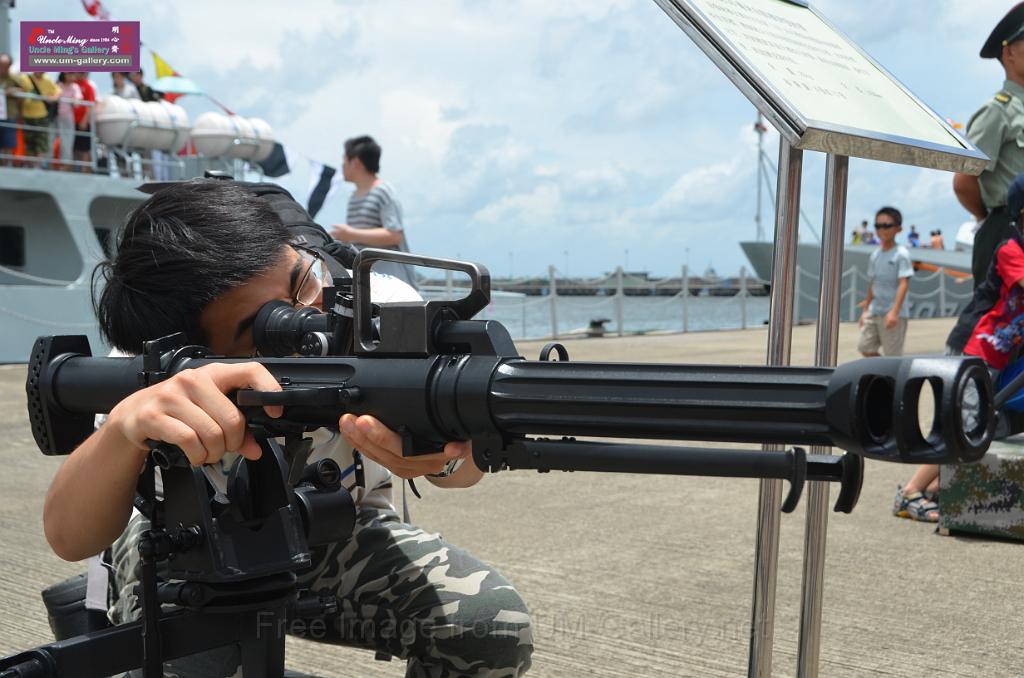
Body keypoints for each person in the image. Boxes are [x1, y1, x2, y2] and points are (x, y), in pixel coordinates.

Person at [44, 179, 533, 676]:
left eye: (302, 282)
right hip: (188, 542)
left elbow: (461, 468)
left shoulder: (384, 308)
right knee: (193, 660)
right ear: (191, 349)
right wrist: (123, 431)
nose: (309, 321)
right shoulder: (155, 360)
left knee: (487, 625)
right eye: (264, 325)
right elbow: (68, 536)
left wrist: (443, 458)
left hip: (336, 529)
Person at [897, 172, 1024, 523]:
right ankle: (910, 492)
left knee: (979, 423)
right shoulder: (1011, 250)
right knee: (963, 425)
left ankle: (939, 488)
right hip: (974, 350)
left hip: (997, 355)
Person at [954, 5, 1024, 286]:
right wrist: (993, 218)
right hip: (1008, 231)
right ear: (1009, 53)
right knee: (1001, 323)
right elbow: (964, 181)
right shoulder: (997, 111)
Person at [330, 135, 417, 288]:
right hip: (370, 280)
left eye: (344, 162)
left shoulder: (383, 192)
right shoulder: (353, 197)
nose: (341, 167)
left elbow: (394, 235)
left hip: (394, 282)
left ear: (355, 163)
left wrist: (351, 234)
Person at [857, 207, 913, 357]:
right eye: (878, 226)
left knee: (892, 356)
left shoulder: (902, 254)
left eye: (887, 225)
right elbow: (872, 283)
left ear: (898, 229)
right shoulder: (875, 255)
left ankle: (890, 378)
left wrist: (894, 312)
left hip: (892, 312)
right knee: (865, 347)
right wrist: (865, 311)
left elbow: (904, 283)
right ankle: (882, 376)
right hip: (874, 311)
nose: (882, 229)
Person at [16, 70, 58, 166]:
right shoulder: (24, 78)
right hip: (26, 116)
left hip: (42, 117)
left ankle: (37, 167)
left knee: (41, 144)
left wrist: (52, 98)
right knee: (29, 144)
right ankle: (31, 167)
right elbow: (18, 93)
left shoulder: (48, 80)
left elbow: (58, 92)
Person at [54, 73, 81, 171]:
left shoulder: (75, 87)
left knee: (67, 143)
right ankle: (49, 164)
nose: (72, 77)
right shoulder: (57, 85)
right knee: (51, 141)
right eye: (69, 74)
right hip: (55, 117)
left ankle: (65, 166)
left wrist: (75, 101)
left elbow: (78, 102)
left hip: (67, 118)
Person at [0, 53, 22, 166]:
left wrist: (13, 90)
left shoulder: (14, 78)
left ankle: (6, 166)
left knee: (8, 143)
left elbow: (24, 90)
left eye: (5, 65)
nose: (2, 68)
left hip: (9, 114)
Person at [72, 72, 96, 172]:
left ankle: (84, 170)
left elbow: (90, 105)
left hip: (83, 122)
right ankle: (74, 169)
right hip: (72, 121)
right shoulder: (73, 85)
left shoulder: (89, 87)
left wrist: (84, 120)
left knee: (85, 149)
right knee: (74, 147)